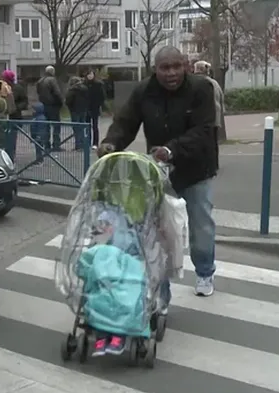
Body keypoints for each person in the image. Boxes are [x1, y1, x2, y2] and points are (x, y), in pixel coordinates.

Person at [97, 46, 219, 300]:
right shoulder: (144, 91)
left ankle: (205, 270)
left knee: (201, 225)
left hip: (196, 168)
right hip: (158, 171)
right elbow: (126, 122)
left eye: (176, 66)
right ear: (156, 69)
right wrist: (112, 143)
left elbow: (204, 130)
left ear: (185, 65)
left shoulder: (201, 89)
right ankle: (161, 285)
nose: (171, 73)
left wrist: (171, 149)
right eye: (165, 68)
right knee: (158, 229)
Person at [193, 60, 224, 163]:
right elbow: (221, 98)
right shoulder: (214, 82)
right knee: (214, 141)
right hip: (215, 116)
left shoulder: (196, 82)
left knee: (203, 140)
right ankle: (215, 162)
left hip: (204, 117)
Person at [36, 65, 64, 150]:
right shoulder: (52, 80)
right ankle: (56, 145)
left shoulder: (40, 81)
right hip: (53, 106)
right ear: (52, 72)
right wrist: (61, 102)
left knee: (46, 126)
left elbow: (38, 92)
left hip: (44, 105)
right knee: (56, 126)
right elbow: (57, 93)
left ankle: (46, 144)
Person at [65, 75, 90, 151]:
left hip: (74, 110)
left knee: (76, 128)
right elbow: (88, 99)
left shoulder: (72, 90)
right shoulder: (85, 89)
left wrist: (69, 106)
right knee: (82, 127)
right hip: (83, 110)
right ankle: (83, 144)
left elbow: (68, 101)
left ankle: (78, 145)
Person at [84, 69, 106, 148]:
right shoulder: (84, 84)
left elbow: (102, 96)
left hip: (95, 108)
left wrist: (99, 105)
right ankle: (87, 142)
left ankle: (95, 143)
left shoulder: (98, 84)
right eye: (88, 74)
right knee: (87, 126)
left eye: (91, 74)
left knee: (95, 126)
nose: (90, 76)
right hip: (86, 107)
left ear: (94, 75)